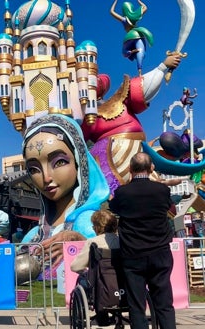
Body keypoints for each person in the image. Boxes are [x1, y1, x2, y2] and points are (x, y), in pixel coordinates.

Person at [81, 54, 181, 196]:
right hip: (108, 152)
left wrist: (163, 67)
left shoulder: (119, 100)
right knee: (118, 187)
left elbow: (141, 89)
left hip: (134, 148)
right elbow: (76, 139)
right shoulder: (85, 117)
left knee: (148, 182)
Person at [21, 114, 110, 267]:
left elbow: (111, 260)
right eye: (34, 169)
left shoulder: (88, 221)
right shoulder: (34, 234)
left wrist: (80, 242)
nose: (46, 177)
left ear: (78, 162)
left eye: (59, 162)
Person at [109, 152, 176, 329]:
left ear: (130, 169)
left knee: (137, 306)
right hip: (160, 252)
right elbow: (167, 206)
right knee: (164, 304)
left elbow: (113, 207)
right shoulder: (162, 190)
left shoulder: (122, 193)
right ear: (151, 168)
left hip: (133, 255)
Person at [110, 0, 153, 75]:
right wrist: (138, 0)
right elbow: (145, 7)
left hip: (129, 37)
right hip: (139, 35)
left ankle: (131, 52)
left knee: (124, 52)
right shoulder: (135, 16)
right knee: (141, 52)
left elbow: (111, 12)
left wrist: (115, 1)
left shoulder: (124, 19)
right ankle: (140, 71)